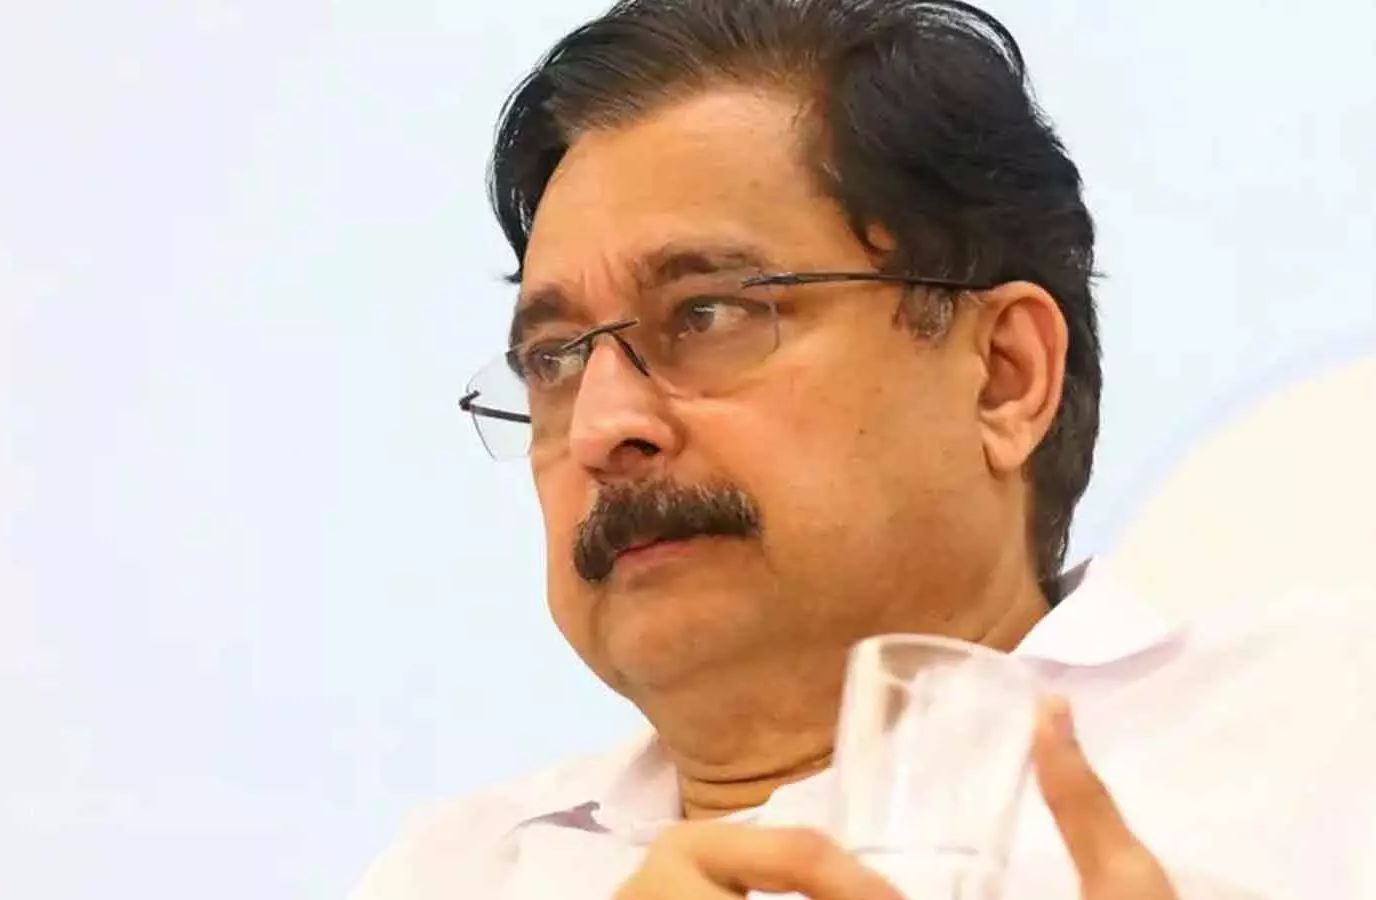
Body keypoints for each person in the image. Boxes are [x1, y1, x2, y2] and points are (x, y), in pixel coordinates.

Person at [353, 1, 1376, 897]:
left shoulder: (1323, 747)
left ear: (1003, 375)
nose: (600, 427)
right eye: (555, 361)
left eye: (706, 314)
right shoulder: (453, 872)